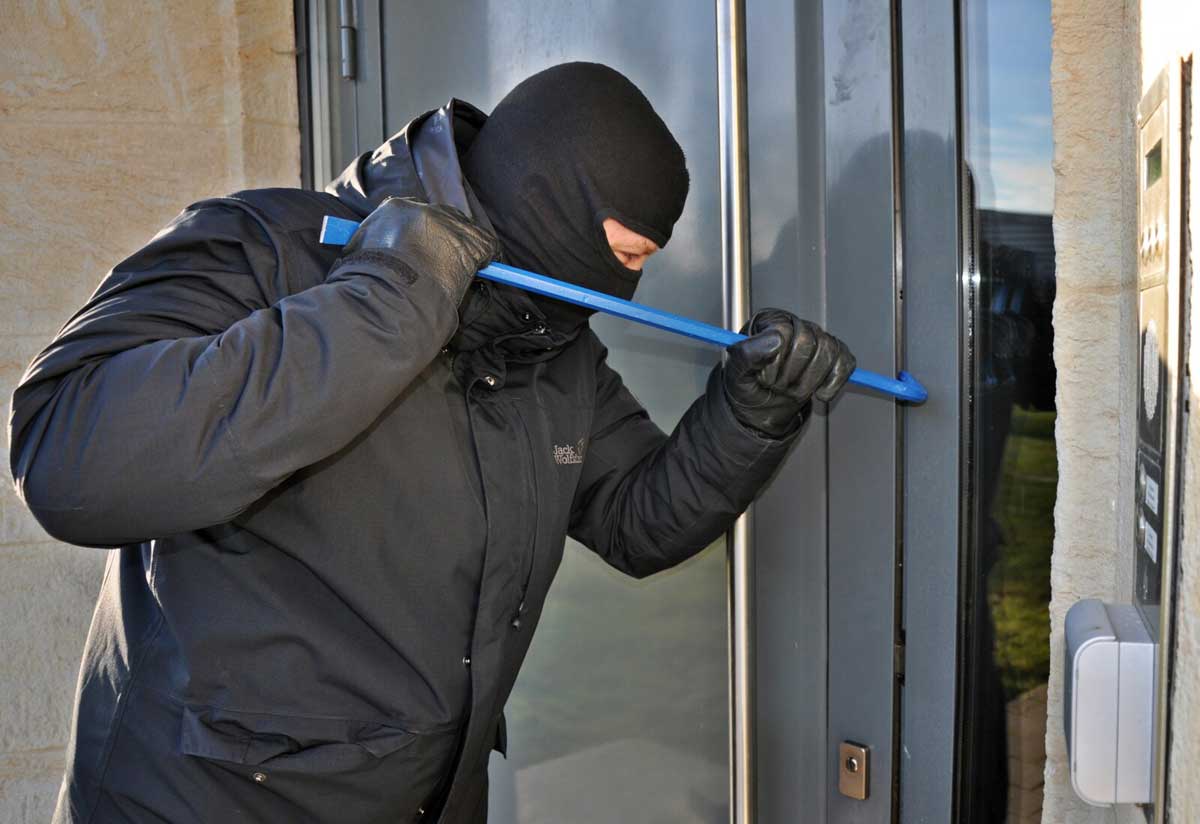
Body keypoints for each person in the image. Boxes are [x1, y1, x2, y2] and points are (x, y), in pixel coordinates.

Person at [9, 62, 854, 823]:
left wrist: (752, 411)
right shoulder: (269, 248)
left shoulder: (553, 347)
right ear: (548, 204)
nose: (624, 287)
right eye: (622, 252)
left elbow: (637, 523)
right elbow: (68, 460)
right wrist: (390, 301)